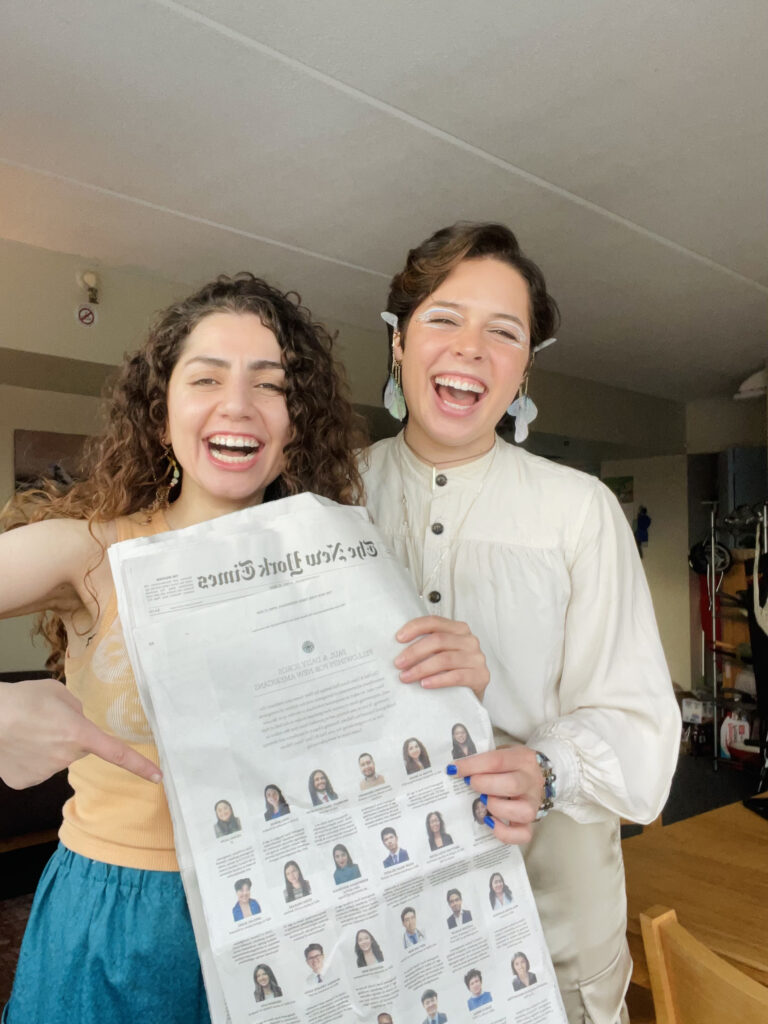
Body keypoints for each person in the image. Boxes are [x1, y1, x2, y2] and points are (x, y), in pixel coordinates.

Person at [0, 272, 364, 1024]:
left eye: (270, 385)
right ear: (162, 418)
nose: (238, 404)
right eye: (206, 378)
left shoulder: (337, 575)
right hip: (122, 916)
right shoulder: (92, 552)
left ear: (296, 422)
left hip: (291, 908)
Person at [361, 222, 680, 1023]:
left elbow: (639, 721)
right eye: (443, 318)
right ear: (397, 342)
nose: (471, 348)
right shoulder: (334, 498)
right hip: (384, 908)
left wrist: (545, 769)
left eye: (504, 332)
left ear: (523, 370)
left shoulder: (579, 511)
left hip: (552, 920)